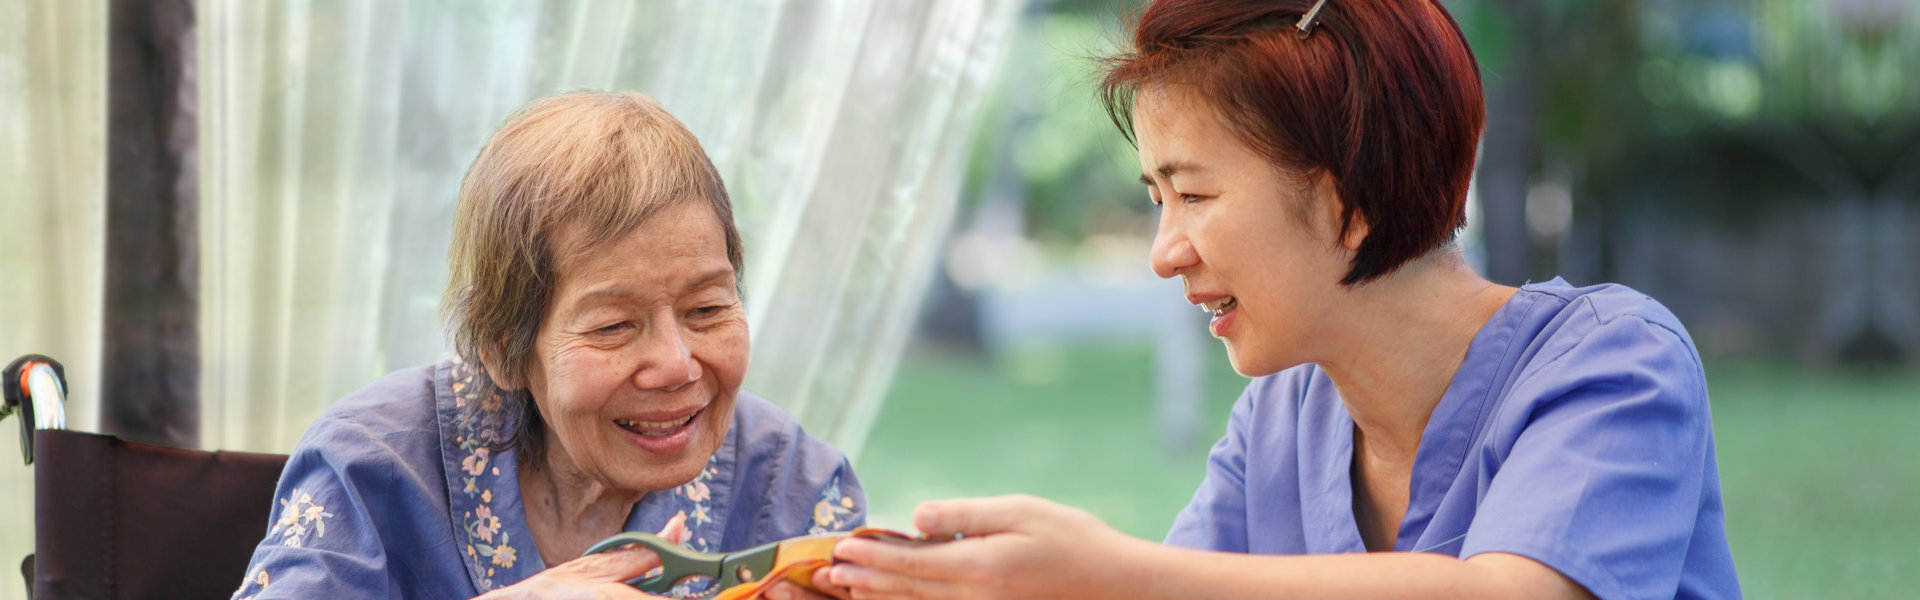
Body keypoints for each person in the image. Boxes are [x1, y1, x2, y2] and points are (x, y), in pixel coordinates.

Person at [823, 1, 1741, 598]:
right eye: (1154, 200)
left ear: (1351, 198)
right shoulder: (1278, 423)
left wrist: (1109, 574)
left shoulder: (1616, 362)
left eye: (1194, 194)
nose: (1162, 253)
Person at [231, 91, 863, 600]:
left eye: (708, 309)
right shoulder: (372, 468)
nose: (676, 364)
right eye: (613, 326)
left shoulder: (794, 489)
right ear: (503, 345)